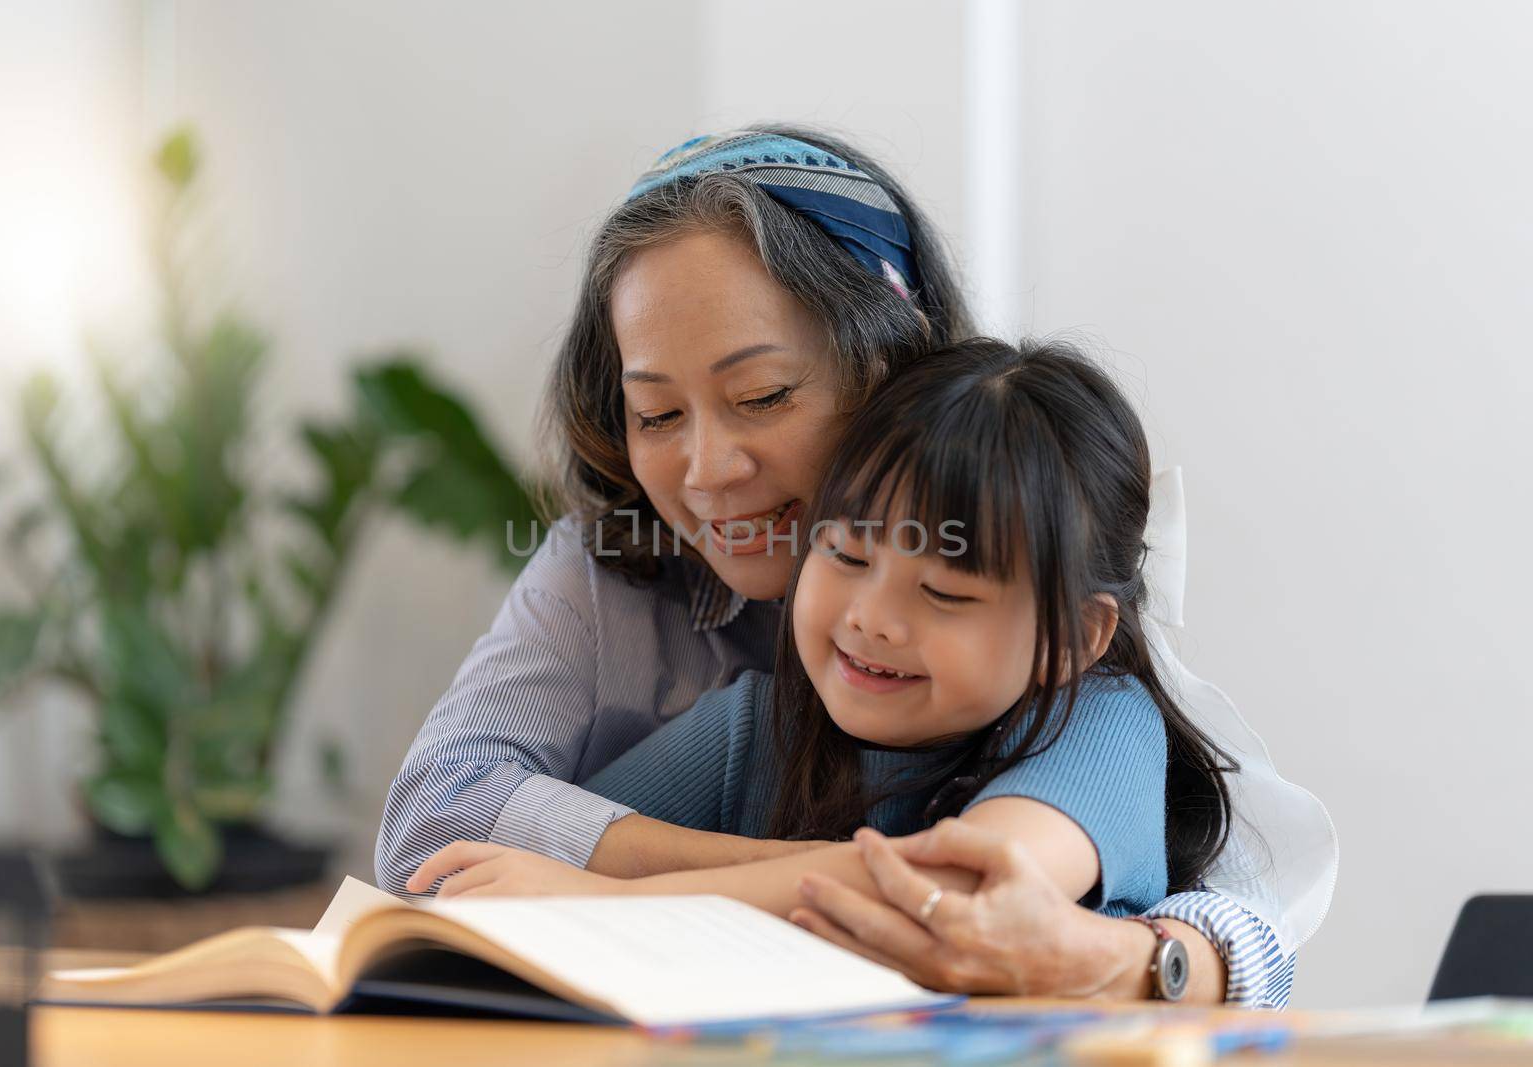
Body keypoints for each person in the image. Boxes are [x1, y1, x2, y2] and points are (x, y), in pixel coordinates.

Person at [376, 128, 1332, 1007]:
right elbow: (439, 831)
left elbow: (1226, 911)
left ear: (888, 370)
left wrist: (607, 899)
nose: (706, 472)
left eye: (763, 394)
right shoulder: (752, 712)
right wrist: (787, 873)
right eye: (658, 414)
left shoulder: (1087, 688)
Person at [407, 339, 1234, 947]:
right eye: (843, 553)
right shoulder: (753, 728)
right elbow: (516, 860)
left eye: (944, 591)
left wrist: (610, 900)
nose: (871, 617)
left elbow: (963, 884)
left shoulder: (1096, 725)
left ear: (1074, 636)